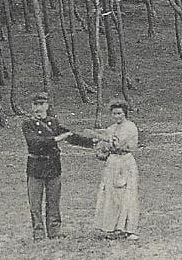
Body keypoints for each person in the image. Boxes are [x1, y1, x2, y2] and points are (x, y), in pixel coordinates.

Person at [21, 92, 92, 240]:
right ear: (31, 107)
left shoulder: (53, 122)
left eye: (41, 104)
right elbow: (34, 142)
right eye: (35, 105)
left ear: (47, 106)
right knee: (35, 203)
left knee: (53, 200)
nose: (38, 108)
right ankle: (38, 232)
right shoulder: (27, 124)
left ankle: (54, 231)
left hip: (53, 166)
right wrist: (56, 139)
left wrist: (91, 143)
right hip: (36, 166)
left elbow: (70, 136)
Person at [87, 100, 140, 240]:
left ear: (125, 113)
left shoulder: (130, 127)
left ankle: (129, 229)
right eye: (114, 113)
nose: (117, 116)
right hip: (112, 162)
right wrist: (100, 149)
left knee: (127, 194)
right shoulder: (110, 128)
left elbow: (119, 145)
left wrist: (102, 139)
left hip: (125, 162)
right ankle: (111, 227)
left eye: (119, 113)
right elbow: (103, 146)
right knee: (111, 194)